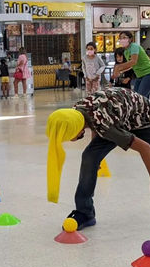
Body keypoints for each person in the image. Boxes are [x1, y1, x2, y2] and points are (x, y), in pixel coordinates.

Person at [46, 87, 150, 230]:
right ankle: (85, 212)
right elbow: (95, 124)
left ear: (76, 129)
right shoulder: (76, 111)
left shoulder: (106, 127)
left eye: (68, 137)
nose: (68, 141)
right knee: (89, 156)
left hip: (142, 119)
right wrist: (96, 157)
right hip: (118, 115)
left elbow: (145, 148)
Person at [113, 31, 150, 97]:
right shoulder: (126, 51)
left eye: (124, 37)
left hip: (147, 73)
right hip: (139, 75)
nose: (122, 40)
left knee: (140, 97)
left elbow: (133, 61)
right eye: (120, 38)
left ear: (130, 39)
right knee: (135, 96)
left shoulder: (134, 46)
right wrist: (120, 70)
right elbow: (131, 65)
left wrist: (118, 67)